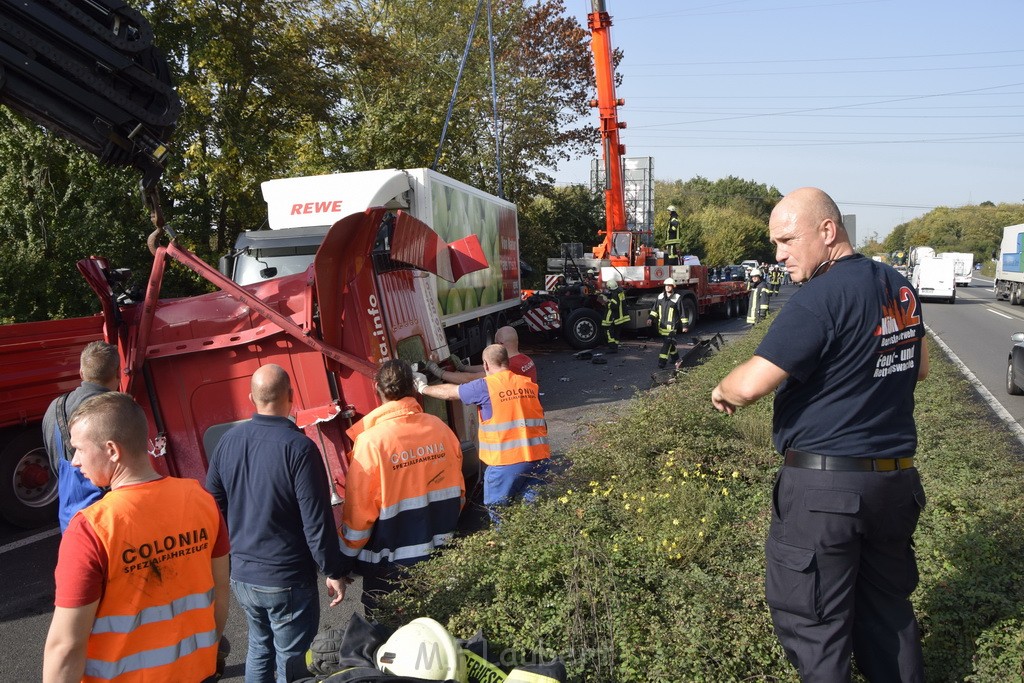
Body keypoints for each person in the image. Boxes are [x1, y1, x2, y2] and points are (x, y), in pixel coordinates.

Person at [711, 187, 930, 682]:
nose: (779, 254)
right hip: (895, 485)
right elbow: (920, 370)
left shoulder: (820, 298)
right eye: (774, 244)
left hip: (826, 493)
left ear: (827, 232)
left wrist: (722, 388)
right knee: (888, 615)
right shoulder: (897, 285)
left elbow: (749, 386)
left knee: (816, 629)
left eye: (787, 239)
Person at [43, 392, 231, 681]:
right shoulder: (201, 499)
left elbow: (66, 646)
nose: (75, 461)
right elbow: (219, 593)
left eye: (79, 449)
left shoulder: (91, 529)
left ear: (112, 450)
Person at [206, 364, 347, 683]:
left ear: (250, 398)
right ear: (291, 397)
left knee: (258, 647)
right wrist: (333, 570)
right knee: (292, 659)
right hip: (286, 578)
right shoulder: (299, 448)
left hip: (243, 575)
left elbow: (211, 502)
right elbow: (316, 519)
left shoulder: (228, 441)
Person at [338, 359, 465, 615]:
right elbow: (458, 495)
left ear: (377, 388)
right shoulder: (441, 430)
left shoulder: (371, 443)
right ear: (413, 387)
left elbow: (359, 516)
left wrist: (343, 562)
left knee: (388, 639)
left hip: (390, 570)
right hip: (440, 560)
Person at [418, 344, 550, 524]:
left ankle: (506, 547)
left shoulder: (486, 387)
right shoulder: (527, 383)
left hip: (505, 463)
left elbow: (451, 393)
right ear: (507, 362)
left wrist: (422, 388)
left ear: (486, 365)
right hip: (539, 459)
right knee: (536, 514)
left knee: (500, 514)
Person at [41, 340, 120, 532]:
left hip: (72, 520)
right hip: (111, 520)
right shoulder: (117, 411)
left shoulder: (54, 408)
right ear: (118, 374)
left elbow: (54, 463)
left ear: (82, 373)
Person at [424, 325, 537, 384]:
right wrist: (463, 367)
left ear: (500, 344)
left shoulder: (509, 368)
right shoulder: (526, 360)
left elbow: (470, 379)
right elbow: (489, 368)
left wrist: (439, 372)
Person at [647, 277, 688, 369]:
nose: (667, 287)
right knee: (670, 344)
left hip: (672, 327)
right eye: (666, 285)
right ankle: (676, 358)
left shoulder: (677, 298)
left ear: (673, 287)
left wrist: (684, 326)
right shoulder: (660, 297)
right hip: (662, 326)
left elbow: (682, 313)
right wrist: (650, 318)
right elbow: (654, 309)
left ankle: (662, 363)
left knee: (666, 345)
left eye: (669, 286)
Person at [601, 278, 629, 353]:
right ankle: (615, 347)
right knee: (617, 332)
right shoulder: (620, 291)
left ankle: (612, 347)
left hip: (616, 316)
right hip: (620, 317)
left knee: (608, 331)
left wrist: (606, 302)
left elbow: (614, 305)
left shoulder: (614, 294)